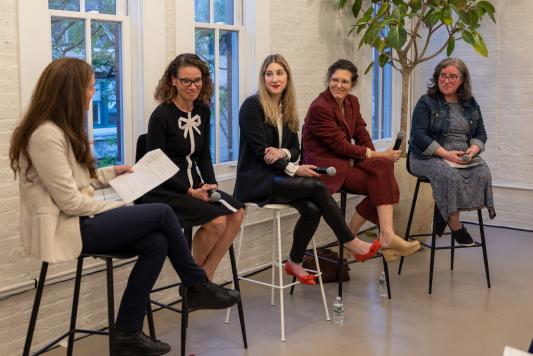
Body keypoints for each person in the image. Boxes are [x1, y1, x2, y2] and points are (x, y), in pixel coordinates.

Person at [9, 58, 240, 356]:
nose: (93, 93)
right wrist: (121, 205)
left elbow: (80, 183)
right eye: (90, 87)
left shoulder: (61, 130)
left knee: (156, 242)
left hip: (80, 219)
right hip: (66, 227)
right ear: (71, 91)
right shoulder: (45, 136)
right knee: (162, 213)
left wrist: (110, 174)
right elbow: (71, 202)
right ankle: (196, 284)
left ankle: (127, 332)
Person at [234, 54, 381, 285]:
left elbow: (295, 149)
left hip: (278, 176)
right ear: (263, 78)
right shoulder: (252, 106)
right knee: (315, 185)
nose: (274, 78)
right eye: (269, 74)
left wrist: (284, 154)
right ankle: (350, 240)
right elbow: (260, 151)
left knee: (313, 209)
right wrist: (293, 169)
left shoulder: (287, 107)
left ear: (287, 77)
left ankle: (294, 262)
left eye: (279, 73)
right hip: (256, 181)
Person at [302, 59, 420, 262]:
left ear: (352, 84)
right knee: (384, 183)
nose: (338, 85)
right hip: (325, 167)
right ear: (328, 80)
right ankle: (375, 236)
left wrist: (376, 162)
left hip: (344, 160)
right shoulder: (319, 108)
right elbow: (341, 146)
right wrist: (380, 156)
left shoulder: (351, 102)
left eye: (344, 81)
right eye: (334, 80)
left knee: (382, 173)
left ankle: (361, 236)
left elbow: (361, 133)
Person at [145, 53, 244, 280]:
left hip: (196, 184)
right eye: (186, 81)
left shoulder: (202, 110)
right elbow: (154, 165)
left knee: (237, 212)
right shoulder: (161, 116)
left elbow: (203, 155)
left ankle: (204, 275)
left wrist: (211, 185)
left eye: (197, 80)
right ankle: (194, 280)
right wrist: (188, 190)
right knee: (217, 221)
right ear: (173, 81)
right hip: (167, 190)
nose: (192, 86)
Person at [409, 57, 495, 242]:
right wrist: (445, 154)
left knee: (483, 172)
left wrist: (473, 150)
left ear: (462, 80)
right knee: (448, 175)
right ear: (437, 77)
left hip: (460, 156)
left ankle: (443, 214)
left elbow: (481, 133)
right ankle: (456, 227)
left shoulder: (470, 103)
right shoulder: (426, 102)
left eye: (453, 77)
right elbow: (419, 136)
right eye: (443, 76)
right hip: (427, 156)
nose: (446, 81)